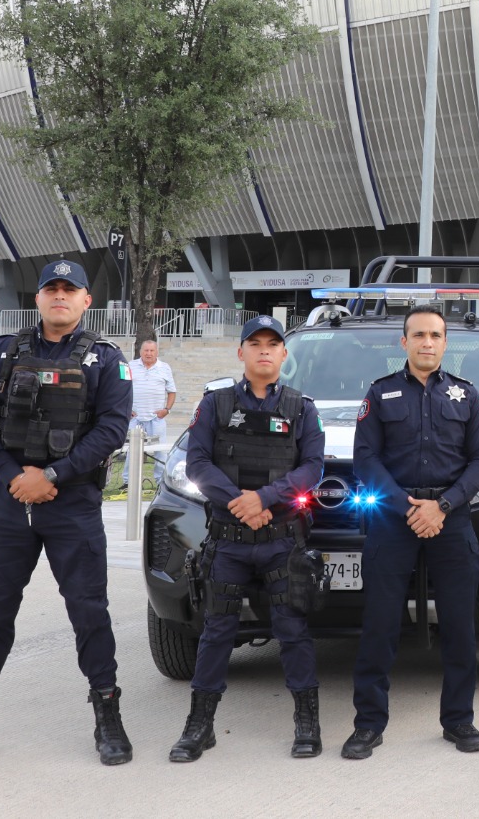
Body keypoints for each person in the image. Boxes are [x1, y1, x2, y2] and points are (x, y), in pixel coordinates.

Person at [0, 260, 133, 770]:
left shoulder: (107, 360)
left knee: (89, 612)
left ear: (87, 301)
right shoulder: (0, 352)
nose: (60, 296)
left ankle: (108, 717)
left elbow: (111, 429)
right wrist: (13, 475)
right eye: (51, 289)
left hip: (73, 505)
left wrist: (53, 476)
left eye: (70, 289)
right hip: (8, 502)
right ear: (38, 298)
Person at [168, 315, 326, 762]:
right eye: (254, 343)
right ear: (240, 353)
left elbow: (313, 467)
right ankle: (200, 727)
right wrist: (239, 500)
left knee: (292, 630)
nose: (263, 350)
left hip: (281, 539)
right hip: (229, 540)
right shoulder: (215, 405)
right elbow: (196, 461)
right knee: (217, 631)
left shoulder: (301, 408)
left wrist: (265, 498)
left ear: (283, 355)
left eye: (271, 344)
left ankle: (307, 723)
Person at [342, 304, 479, 759]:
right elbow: (365, 458)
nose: (427, 342)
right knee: (380, 625)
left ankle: (459, 721)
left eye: (435, 335)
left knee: (459, 626)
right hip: (394, 517)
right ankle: (368, 724)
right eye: (419, 335)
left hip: (451, 518)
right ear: (403, 343)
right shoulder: (380, 393)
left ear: (446, 343)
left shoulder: (467, 397)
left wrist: (442, 506)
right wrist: (406, 506)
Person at [128, 338, 177, 442]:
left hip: (156, 419)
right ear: (140, 352)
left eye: (152, 350)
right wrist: (126, 409)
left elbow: (172, 391)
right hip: (134, 418)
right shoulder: (130, 365)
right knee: (131, 453)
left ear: (157, 352)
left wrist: (167, 410)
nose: (148, 353)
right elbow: (121, 389)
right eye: (146, 350)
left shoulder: (165, 367)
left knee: (160, 452)